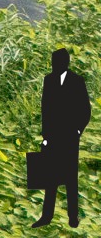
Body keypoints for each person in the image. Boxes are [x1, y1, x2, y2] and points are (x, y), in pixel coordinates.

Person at [39, 46, 91, 228]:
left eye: (58, 62)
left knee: (70, 178)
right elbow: (45, 109)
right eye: (53, 62)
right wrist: (45, 136)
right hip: (53, 137)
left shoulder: (77, 81)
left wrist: (77, 131)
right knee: (50, 178)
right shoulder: (49, 80)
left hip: (69, 137)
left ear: (65, 63)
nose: (54, 65)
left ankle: (72, 217)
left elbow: (86, 110)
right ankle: (46, 216)